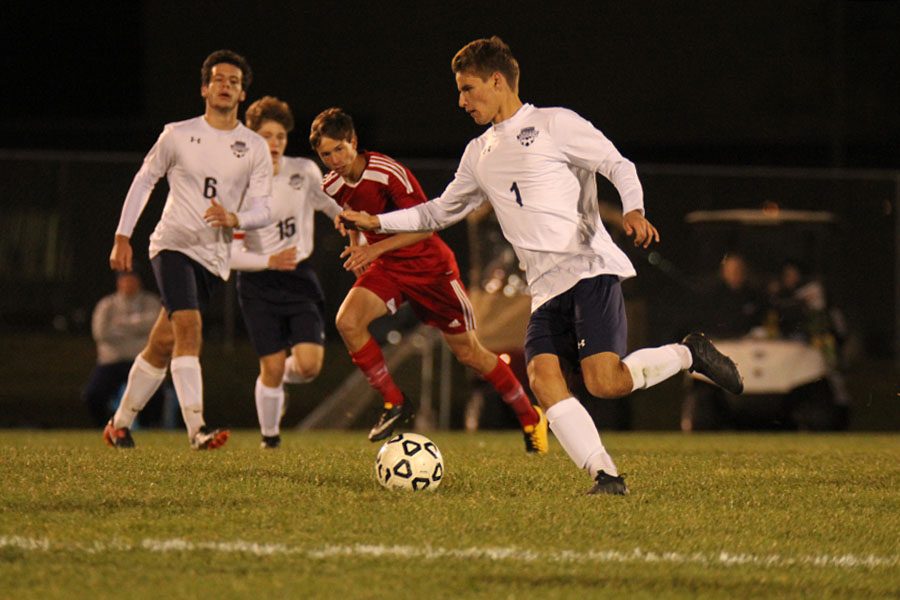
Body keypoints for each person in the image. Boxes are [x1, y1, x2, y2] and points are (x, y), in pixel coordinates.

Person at [338, 36, 743, 494]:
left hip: (588, 267)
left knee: (605, 382)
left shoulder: (555, 123)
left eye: (468, 89)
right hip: (546, 287)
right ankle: (605, 476)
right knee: (542, 380)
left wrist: (633, 209)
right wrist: (376, 220)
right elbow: (437, 212)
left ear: (497, 81)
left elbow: (617, 162)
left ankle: (690, 353)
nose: (461, 100)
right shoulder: (478, 153)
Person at [310, 107, 549, 453]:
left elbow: (426, 226)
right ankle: (395, 402)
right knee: (347, 322)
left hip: (431, 270)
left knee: (471, 354)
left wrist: (373, 249)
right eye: (325, 154)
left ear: (354, 142)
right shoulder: (331, 183)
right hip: (389, 270)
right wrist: (355, 242)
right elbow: (352, 219)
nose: (333, 160)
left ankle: (530, 417)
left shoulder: (388, 173)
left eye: (338, 150)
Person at [105, 49, 273, 450]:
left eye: (234, 82)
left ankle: (119, 424)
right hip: (173, 244)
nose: (225, 86)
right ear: (204, 88)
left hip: (213, 259)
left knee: (163, 343)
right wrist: (123, 234)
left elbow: (263, 208)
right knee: (189, 328)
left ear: (243, 94)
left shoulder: (254, 147)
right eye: (218, 79)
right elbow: (145, 180)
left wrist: (236, 218)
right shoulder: (177, 134)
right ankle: (197, 428)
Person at [230, 96, 342, 449]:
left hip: (299, 278)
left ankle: (272, 382)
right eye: (266, 135)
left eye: (280, 136)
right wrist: (268, 261)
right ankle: (270, 439)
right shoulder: (237, 185)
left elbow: (328, 204)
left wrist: (347, 220)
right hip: (258, 282)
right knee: (273, 366)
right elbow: (230, 253)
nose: (274, 143)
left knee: (308, 367)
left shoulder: (303, 171)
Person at [83, 270, 168, 427]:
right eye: (125, 280)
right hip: (112, 362)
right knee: (93, 394)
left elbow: (156, 330)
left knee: (156, 393)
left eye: (132, 279)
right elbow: (101, 333)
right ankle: (103, 425)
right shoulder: (106, 304)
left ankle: (150, 427)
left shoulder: (152, 302)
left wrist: (120, 325)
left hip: (142, 359)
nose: (129, 283)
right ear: (119, 282)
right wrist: (138, 329)